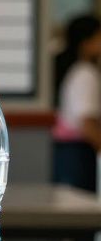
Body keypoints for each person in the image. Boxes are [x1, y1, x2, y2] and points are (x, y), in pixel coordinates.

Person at [52, 15, 101, 191]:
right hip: (77, 154)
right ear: (86, 41)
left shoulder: (77, 70)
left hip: (69, 153)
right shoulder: (85, 73)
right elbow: (87, 124)